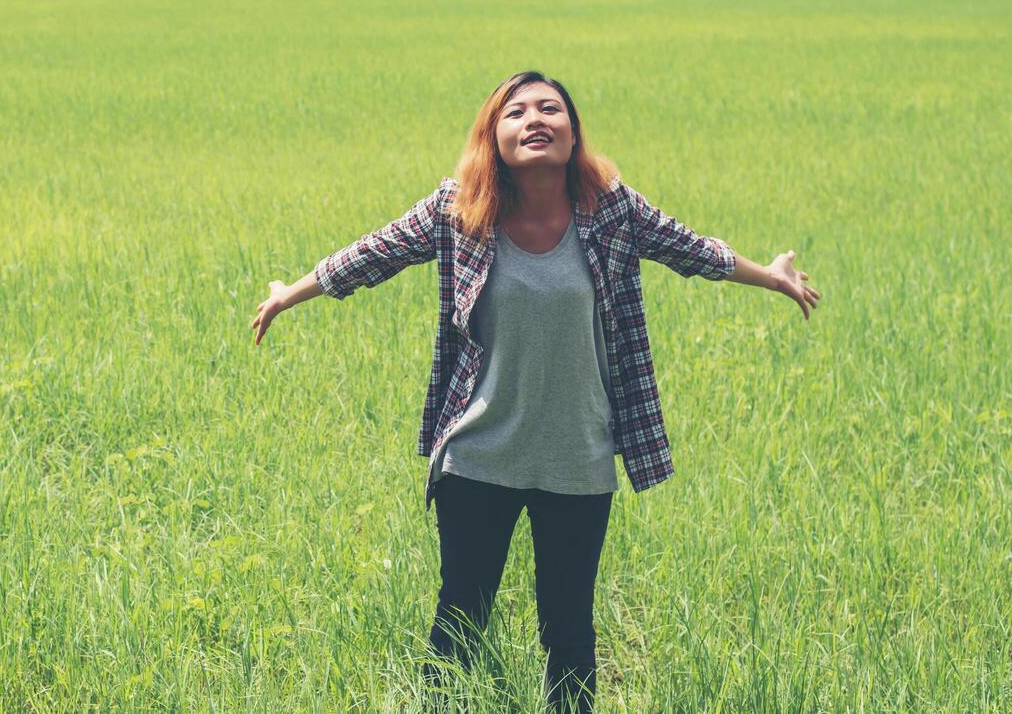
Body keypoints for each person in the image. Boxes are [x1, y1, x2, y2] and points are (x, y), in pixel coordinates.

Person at [249, 71, 821, 712]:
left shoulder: (612, 212)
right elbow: (372, 254)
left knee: (570, 631)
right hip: (480, 454)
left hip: (578, 458)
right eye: (516, 111)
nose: (535, 119)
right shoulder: (459, 210)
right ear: (494, 137)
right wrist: (290, 293)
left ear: (573, 135)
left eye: (550, 108)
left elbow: (690, 250)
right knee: (460, 622)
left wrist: (770, 278)